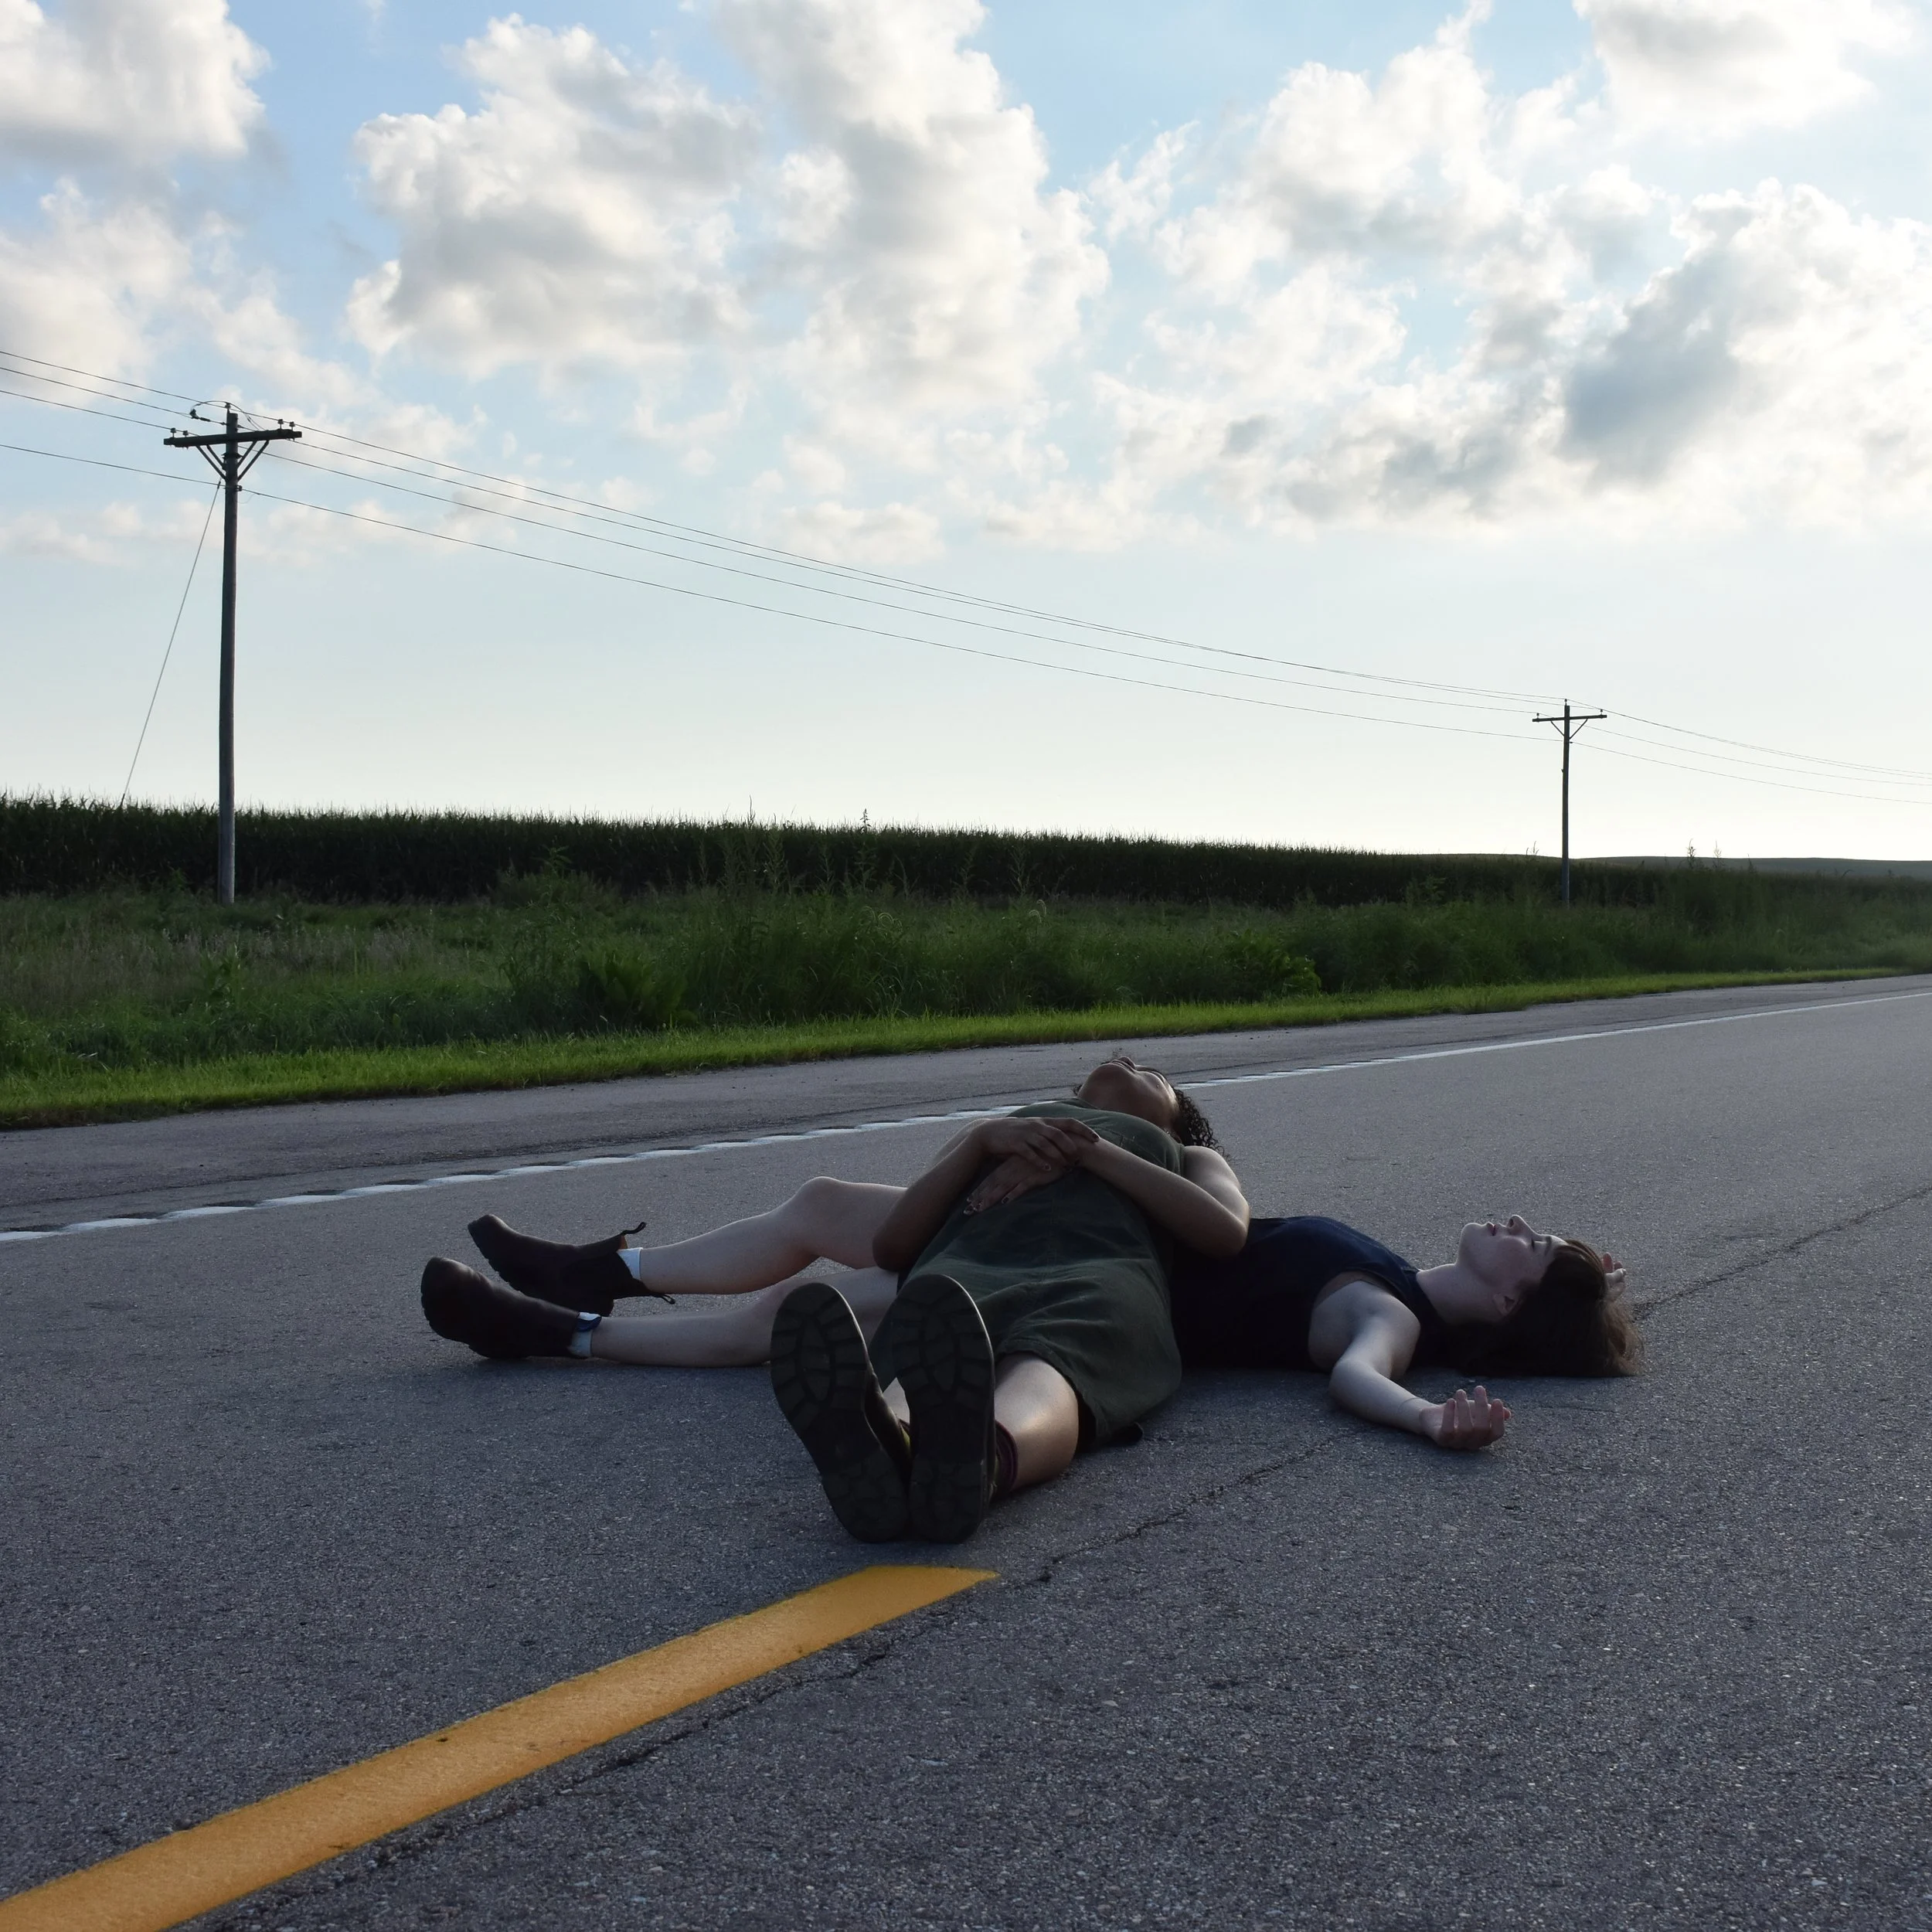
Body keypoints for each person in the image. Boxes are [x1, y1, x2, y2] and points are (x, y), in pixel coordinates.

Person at [422, 1054, 1248, 1546]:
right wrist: (985, 1141)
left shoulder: (1173, 1158)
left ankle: (978, 1465)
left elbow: (1223, 1232)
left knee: (1046, 1368)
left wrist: (1095, 1151)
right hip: (965, 1265)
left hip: (1094, 1282)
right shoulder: (1012, 1129)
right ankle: (895, 1441)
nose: (1131, 1060)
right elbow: (901, 1245)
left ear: (1178, 1123)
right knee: (917, 1336)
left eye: (1154, 1072)